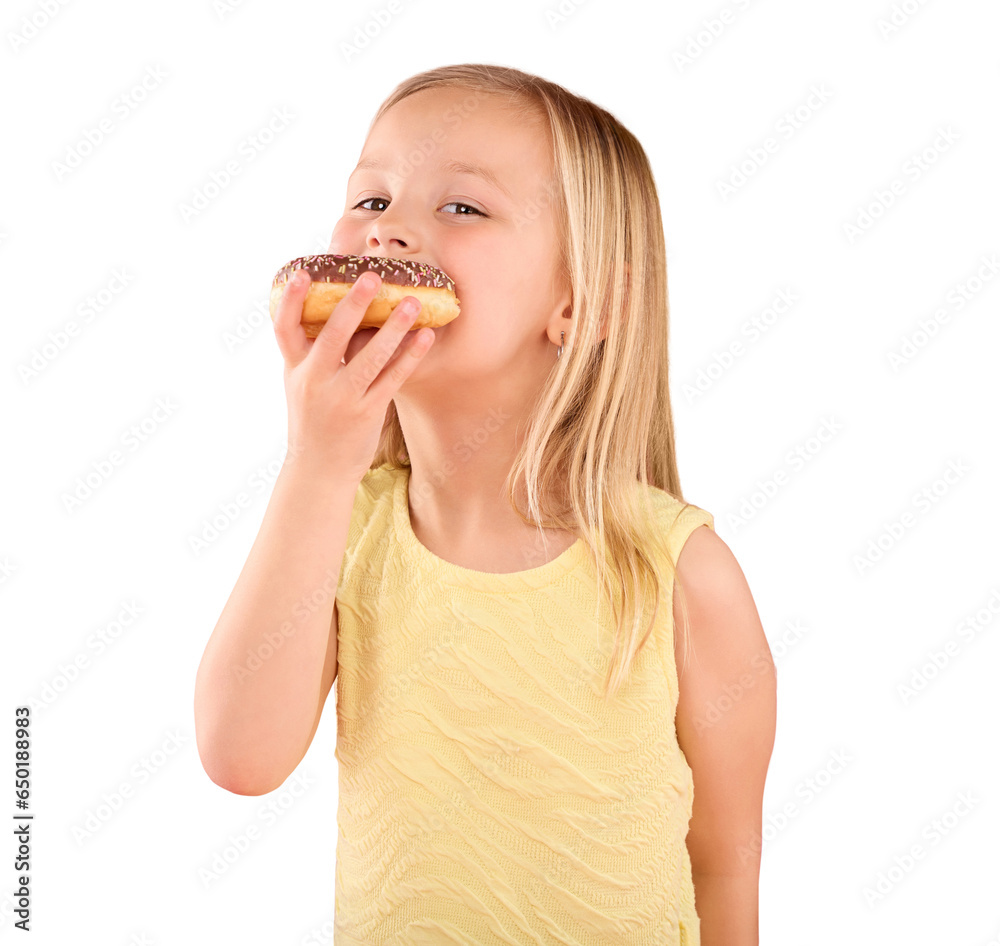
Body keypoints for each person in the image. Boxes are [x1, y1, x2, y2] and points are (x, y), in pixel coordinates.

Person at [194, 63, 776, 946]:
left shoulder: (676, 571)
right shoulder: (343, 531)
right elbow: (239, 758)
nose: (388, 235)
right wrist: (317, 465)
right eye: (372, 199)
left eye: (461, 207)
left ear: (585, 305)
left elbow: (725, 868)